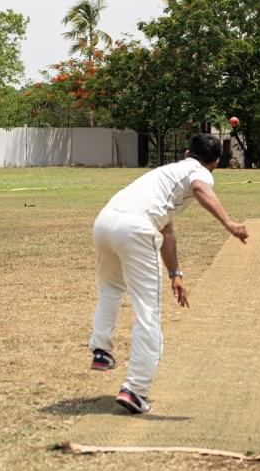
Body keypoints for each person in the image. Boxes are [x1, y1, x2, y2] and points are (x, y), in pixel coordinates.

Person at [88, 133, 248, 414]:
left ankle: (101, 351)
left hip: (105, 222)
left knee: (110, 290)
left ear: (187, 151)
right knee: (148, 311)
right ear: (216, 163)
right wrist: (230, 223)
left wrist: (176, 273)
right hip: (136, 228)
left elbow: (167, 230)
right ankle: (135, 390)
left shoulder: (166, 173)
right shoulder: (200, 172)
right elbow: (200, 188)